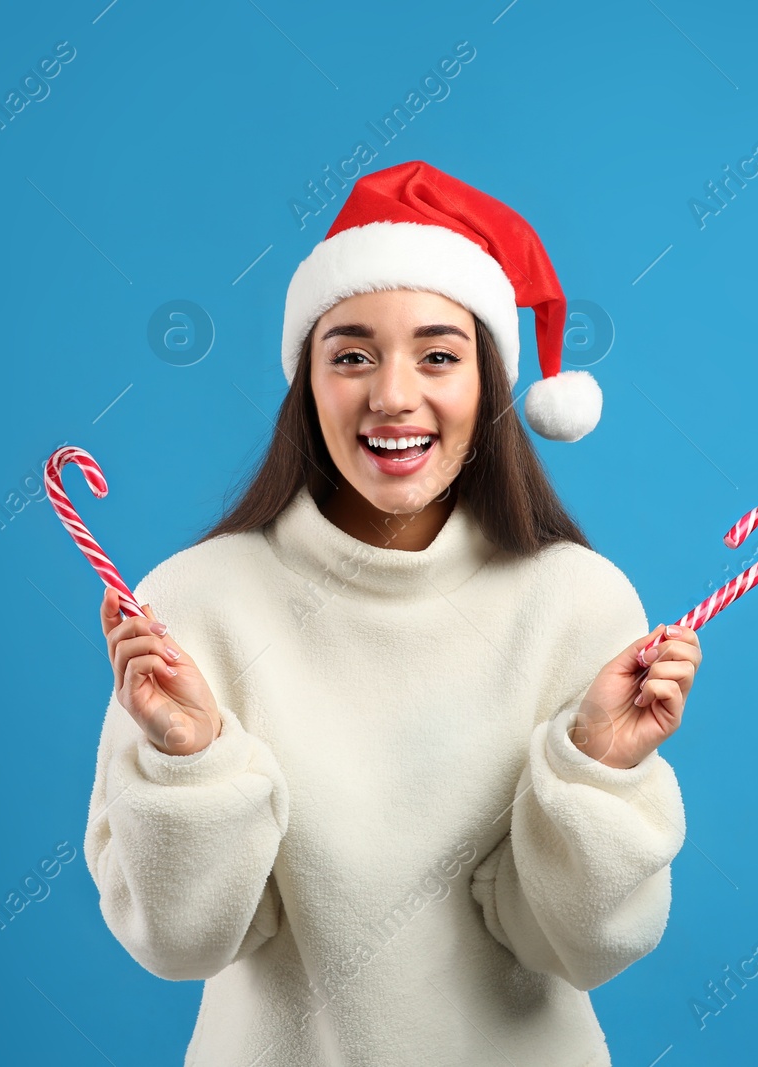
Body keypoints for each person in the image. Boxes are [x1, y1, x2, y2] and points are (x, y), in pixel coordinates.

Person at [83, 161, 699, 1066]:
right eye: (353, 355)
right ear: (309, 383)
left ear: (489, 383)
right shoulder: (193, 602)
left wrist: (598, 771)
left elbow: (582, 945)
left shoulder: (579, 600)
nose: (393, 395)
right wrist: (190, 761)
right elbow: (180, 945)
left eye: (440, 355)